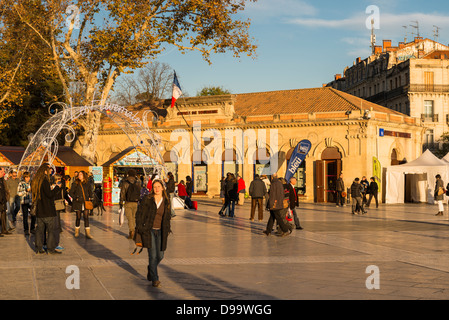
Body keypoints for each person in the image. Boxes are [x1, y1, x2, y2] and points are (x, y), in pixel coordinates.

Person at [135, 179, 172, 288]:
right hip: (149, 230)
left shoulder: (166, 200)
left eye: (158, 187)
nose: (156, 189)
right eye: (154, 187)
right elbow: (140, 214)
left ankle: (151, 269)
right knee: (152, 255)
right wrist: (140, 227)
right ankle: (155, 279)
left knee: (160, 255)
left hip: (161, 231)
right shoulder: (147, 199)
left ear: (162, 188)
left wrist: (167, 228)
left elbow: (167, 216)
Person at [31, 163, 63, 254]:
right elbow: (49, 195)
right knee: (51, 231)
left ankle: (38, 248)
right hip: (47, 210)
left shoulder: (36, 181)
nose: (50, 171)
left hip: (40, 210)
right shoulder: (44, 181)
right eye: (49, 169)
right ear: (45, 171)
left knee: (39, 231)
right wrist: (57, 187)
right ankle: (50, 249)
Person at [69, 170, 94, 239]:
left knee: (86, 217)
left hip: (85, 202)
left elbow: (90, 192)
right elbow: (70, 192)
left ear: (84, 176)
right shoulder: (75, 183)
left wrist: (90, 198)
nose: (79, 176)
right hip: (78, 203)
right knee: (78, 217)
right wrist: (75, 198)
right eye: (79, 174)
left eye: (81, 174)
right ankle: (77, 232)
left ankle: (88, 233)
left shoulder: (87, 183)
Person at [119, 169, 142, 239]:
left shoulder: (125, 182)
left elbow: (122, 193)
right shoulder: (138, 182)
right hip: (136, 202)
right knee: (134, 217)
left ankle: (131, 231)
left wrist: (121, 202)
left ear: (128, 174)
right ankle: (134, 231)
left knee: (130, 218)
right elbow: (140, 192)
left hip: (127, 202)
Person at [17, 171, 35, 236]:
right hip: (24, 201)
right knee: (25, 216)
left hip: (31, 201)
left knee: (33, 214)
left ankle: (32, 228)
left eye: (29, 177)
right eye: (26, 177)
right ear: (24, 177)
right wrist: (25, 191)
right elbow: (18, 193)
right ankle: (26, 230)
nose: (28, 178)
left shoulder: (31, 183)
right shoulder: (21, 183)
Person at [0, 167, 10, 236]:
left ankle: (4, 229)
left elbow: (5, 190)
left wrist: (6, 198)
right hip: (0, 200)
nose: (3, 173)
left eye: (3, 172)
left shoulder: (2, 180)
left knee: (3, 215)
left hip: (3, 200)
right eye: (1, 172)